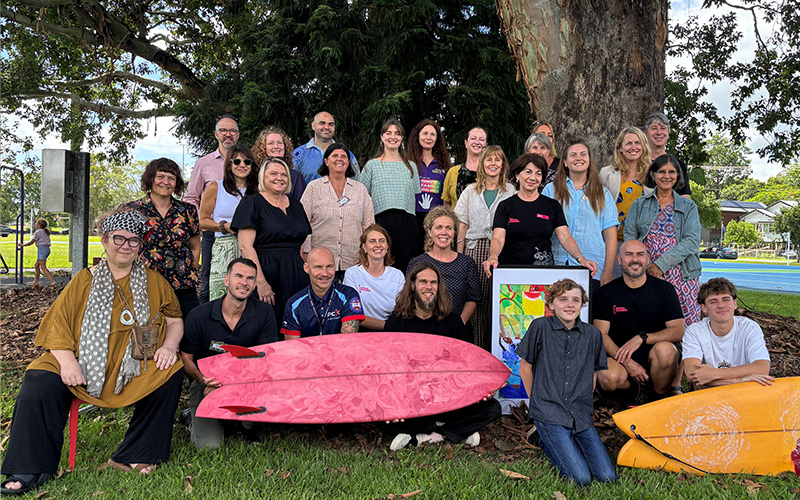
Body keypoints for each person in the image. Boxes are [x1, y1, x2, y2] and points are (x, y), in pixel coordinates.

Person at [0, 210, 184, 494]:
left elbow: (174, 319)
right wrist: (68, 362)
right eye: (119, 239)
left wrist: (170, 346)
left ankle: (135, 453)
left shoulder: (154, 281)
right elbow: (58, 325)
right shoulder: (84, 280)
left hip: (131, 362)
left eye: (133, 241)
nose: (126, 246)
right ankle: (31, 467)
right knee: (38, 380)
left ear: (140, 245)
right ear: (105, 240)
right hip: (79, 357)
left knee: (171, 371)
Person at [384, 261, 501, 450]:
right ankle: (455, 431)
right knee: (382, 410)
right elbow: (387, 367)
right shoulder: (396, 323)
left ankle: (428, 434)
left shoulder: (453, 321)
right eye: (423, 282)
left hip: (448, 398)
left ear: (439, 287)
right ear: (412, 285)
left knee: (493, 407)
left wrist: (482, 388)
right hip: (413, 398)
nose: (428, 287)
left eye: (433, 282)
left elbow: (467, 363)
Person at [517, 279, 616, 485]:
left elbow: (594, 372)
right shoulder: (540, 327)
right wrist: (535, 403)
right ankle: (544, 437)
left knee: (607, 477)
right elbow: (525, 367)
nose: (570, 305)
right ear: (551, 304)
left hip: (579, 413)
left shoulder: (592, 335)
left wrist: (585, 400)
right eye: (563, 299)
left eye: (575, 300)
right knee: (580, 478)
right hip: (548, 410)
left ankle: (556, 440)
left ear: (582, 304)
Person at [180, 258, 278, 448]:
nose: (244, 282)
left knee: (251, 426)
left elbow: (267, 360)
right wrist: (202, 379)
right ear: (226, 280)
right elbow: (186, 358)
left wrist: (232, 385)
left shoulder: (264, 313)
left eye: (250, 278)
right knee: (209, 446)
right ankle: (191, 417)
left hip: (248, 383)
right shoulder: (199, 315)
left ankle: (238, 421)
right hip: (207, 383)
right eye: (239, 276)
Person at [593, 240, 685, 398]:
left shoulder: (665, 290)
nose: (635, 259)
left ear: (647, 259)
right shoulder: (606, 293)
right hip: (620, 356)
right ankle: (633, 395)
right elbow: (600, 334)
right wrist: (626, 361)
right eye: (629, 254)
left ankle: (656, 398)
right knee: (607, 377)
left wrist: (642, 338)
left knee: (666, 351)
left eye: (640, 254)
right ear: (620, 260)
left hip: (655, 354)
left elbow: (678, 330)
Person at [483, 154, 598, 278]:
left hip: (543, 272)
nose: (533, 177)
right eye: (528, 172)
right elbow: (498, 238)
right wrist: (493, 257)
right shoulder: (505, 206)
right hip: (510, 271)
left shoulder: (552, 206)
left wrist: (581, 259)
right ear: (517, 175)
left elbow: (565, 237)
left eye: (538, 173)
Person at [232, 157, 311, 328]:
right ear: (263, 177)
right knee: (268, 326)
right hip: (267, 274)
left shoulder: (297, 206)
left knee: (295, 325)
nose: (279, 178)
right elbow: (246, 247)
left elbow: (300, 244)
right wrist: (260, 282)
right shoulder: (252, 203)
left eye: (284, 174)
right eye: (273, 173)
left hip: (296, 275)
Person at [624, 154, 702, 325]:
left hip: (682, 273)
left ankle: (687, 352)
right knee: (650, 319)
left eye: (672, 172)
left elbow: (692, 241)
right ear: (653, 175)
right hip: (647, 271)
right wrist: (643, 265)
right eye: (662, 171)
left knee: (684, 323)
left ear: (677, 175)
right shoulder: (639, 204)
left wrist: (661, 265)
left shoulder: (688, 206)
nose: (667, 176)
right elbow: (630, 236)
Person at [454, 146, 516, 350]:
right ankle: (478, 348)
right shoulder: (470, 191)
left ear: (503, 165)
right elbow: (461, 224)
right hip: (475, 249)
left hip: (503, 251)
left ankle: (501, 351)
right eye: (488, 159)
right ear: (482, 164)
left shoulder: (511, 191)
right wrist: (460, 256)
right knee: (477, 302)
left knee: (502, 303)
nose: (493, 163)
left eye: (497, 160)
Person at [122, 158, 201, 319]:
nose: (166, 182)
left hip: (183, 285)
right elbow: (122, 248)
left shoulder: (187, 211)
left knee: (190, 333)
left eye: (171, 178)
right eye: (160, 176)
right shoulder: (131, 210)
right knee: (147, 334)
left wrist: (189, 269)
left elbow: (195, 246)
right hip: (144, 285)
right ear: (150, 179)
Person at [542, 140, 619, 292]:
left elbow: (610, 236)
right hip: (556, 264)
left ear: (590, 161)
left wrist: (608, 272)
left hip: (593, 267)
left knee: (590, 314)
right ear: (564, 162)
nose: (579, 158)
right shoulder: (551, 190)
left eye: (583, 154)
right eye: (573, 155)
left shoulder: (603, 194)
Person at [185, 115, 239, 304]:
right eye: (223, 130)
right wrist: (200, 223)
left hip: (243, 233)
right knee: (209, 283)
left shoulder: (246, 163)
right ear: (216, 134)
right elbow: (191, 197)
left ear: (238, 135)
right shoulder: (204, 163)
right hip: (212, 233)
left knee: (239, 280)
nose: (228, 134)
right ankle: (205, 326)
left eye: (232, 131)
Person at [683, 278, 773, 389]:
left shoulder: (749, 327)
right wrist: (740, 380)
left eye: (726, 299)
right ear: (704, 308)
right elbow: (692, 374)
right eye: (713, 301)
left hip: (743, 393)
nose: (721, 305)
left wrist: (713, 374)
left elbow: (762, 368)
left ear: (735, 304)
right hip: (708, 394)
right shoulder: (694, 331)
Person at [301, 143, 374, 279]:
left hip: (354, 262)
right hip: (321, 264)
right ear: (326, 161)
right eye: (334, 155)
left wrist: (368, 254)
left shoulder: (360, 190)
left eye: (343, 156)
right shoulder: (313, 188)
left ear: (348, 161)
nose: (339, 159)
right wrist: (306, 252)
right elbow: (303, 223)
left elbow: (369, 226)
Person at [359, 118, 421, 274]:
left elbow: (414, 195)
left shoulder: (411, 166)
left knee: (407, 268)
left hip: (407, 224)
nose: (393, 137)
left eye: (397, 133)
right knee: (383, 266)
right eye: (388, 133)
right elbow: (362, 196)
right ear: (381, 137)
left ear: (401, 138)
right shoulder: (372, 165)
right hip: (382, 223)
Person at [198, 144, 259, 301]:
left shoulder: (259, 191)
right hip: (224, 247)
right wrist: (223, 226)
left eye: (247, 162)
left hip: (253, 247)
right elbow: (202, 220)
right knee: (220, 296)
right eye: (237, 161)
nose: (242, 165)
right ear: (229, 164)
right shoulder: (216, 187)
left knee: (250, 295)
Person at [408, 207, 480, 327]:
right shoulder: (416, 263)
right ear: (430, 232)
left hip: (456, 329)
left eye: (449, 228)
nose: (444, 232)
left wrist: (459, 324)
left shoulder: (466, 263)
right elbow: (410, 297)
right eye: (438, 227)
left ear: (454, 232)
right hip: (424, 329)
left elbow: (473, 298)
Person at [281, 247, 364, 339]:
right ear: (306, 268)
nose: (325, 273)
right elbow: (293, 347)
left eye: (329, 266)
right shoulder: (293, 304)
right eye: (318, 267)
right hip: (307, 353)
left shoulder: (349, 295)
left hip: (339, 351)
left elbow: (346, 342)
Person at [343, 224, 406, 331]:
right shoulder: (352, 274)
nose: (378, 245)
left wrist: (390, 327)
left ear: (387, 247)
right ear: (364, 247)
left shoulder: (397, 275)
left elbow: (402, 310)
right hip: (362, 330)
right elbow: (352, 313)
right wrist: (386, 326)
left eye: (382, 241)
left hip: (391, 331)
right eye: (372, 241)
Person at [407, 119, 452, 243]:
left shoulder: (443, 164)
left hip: (436, 219)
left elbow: (447, 194)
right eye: (425, 133)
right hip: (413, 218)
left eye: (433, 134)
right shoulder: (408, 163)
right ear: (418, 136)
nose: (429, 137)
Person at [293, 111, 359, 184]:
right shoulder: (299, 154)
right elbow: (291, 182)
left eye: (331, 124)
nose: (327, 127)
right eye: (322, 123)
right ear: (313, 126)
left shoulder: (347, 155)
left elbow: (356, 182)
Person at [251, 126, 307, 200]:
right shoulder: (254, 174)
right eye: (271, 143)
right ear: (263, 148)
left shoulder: (295, 177)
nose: (276, 146)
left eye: (279, 143)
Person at [644, 112, 691, 197]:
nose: (659, 132)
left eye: (663, 128)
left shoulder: (678, 165)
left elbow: (685, 197)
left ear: (668, 133)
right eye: (654, 128)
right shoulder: (638, 162)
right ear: (646, 133)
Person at [442, 127, 488, 207]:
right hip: (456, 219)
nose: (477, 142)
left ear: (486, 145)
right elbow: (447, 203)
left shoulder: (490, 173)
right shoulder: (453, 172)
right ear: (466, 143)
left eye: (482, 139)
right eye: (473, 138)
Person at [17, 218, 57, 289]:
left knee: (43, 267)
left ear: (39, 225)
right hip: (46, 249)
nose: (35, 224)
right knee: (36, 265)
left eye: (36, 223)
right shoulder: (45, 231)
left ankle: (52, 281)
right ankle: (35, 282)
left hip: (42, 249)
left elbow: (32, 242)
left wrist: (23, 245)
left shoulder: (38, 232)